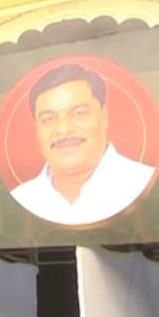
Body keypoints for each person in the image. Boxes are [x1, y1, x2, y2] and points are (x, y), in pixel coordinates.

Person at [10, 63, 156, 226]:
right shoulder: (25, 198)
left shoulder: (140, 181)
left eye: (79, 113)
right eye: (48, 119)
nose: (63, 129)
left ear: (104, 117)